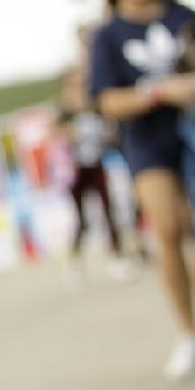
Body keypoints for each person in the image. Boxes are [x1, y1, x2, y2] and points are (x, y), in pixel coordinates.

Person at [87, 0, 195, 377]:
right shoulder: (109, 35)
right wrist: (160, 92)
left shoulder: (183, 16)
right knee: (168, 228)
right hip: (147, 143)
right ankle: (188, 333)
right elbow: (107, 100)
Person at [56, 65, 133, 283]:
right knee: (82, 220)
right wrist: (72, 132)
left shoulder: (94, 105)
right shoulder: (65, 111)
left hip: (96, 163)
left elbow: (108, 130)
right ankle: (74, 261)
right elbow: (60, 137)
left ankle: (117, 257)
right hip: (75, 170)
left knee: (110, 212)